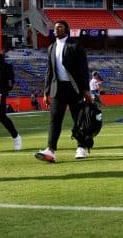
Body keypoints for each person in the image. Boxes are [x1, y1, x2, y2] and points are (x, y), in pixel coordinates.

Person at [35, 21, 92, 163]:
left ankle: (81, 147)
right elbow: (49, 71)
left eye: (60, 27)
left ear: (66, 29)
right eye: (55, 27)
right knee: (54, 120)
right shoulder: (51, 47)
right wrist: (46, 92)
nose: (56, 29)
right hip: (57, 89)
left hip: (74, 88)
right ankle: (50, 150)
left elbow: (83, 69)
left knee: (78, 119)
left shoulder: (75, 46)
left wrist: (85, 90)